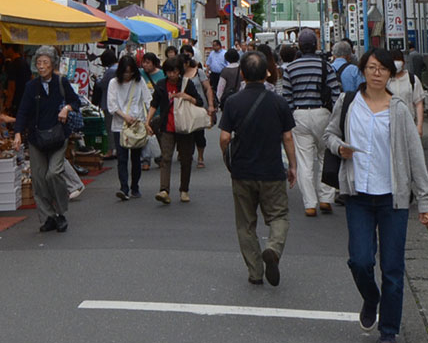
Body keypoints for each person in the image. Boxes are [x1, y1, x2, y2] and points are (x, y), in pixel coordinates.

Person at [325, 47, 428, 343]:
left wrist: (425, 201)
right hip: (358, 194)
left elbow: (415, 156)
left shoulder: (399, 109)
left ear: (390, 74)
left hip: (393, 198)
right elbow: (329, 134)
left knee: (393, 268)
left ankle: (389, 329)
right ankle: (371, 298)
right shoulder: (347, 102)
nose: (376, 73)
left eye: (382, 69)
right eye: (371, 67)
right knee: (359, 260)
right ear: (362, 70)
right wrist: (339, 148)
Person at [220, 51, 297, 286]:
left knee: (246, 223)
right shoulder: (279, 102)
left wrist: (228, 159)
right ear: (267, 73)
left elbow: (224, 138)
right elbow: (287, 138)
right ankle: (273, 248)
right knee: (279, 215)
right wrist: (292, 166)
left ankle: (255, 272)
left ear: (242, 74)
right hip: (272, 169)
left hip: (243, 171)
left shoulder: (233, 102)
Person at [15, 47, 80, 234]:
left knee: (53, 173)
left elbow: (76, 102)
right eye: (38, 62)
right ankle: (48, 217)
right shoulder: (31, 87)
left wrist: (66, 108)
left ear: (53, 64)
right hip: (36, 137)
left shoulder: (61, 82)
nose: (41, 66)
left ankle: (60, 212)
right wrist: (18, 132)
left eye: (45, 62)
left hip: (58, 136)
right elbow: (23, 111)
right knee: (39, 178)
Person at [280, 31, 338, 218]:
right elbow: (335, 93)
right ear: (315, 45)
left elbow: (287, 97)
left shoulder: (291, 68)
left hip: (300, 114)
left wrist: (289, 120)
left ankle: (310, 204)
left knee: (304, 161)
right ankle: (326, 199)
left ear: (299, 45)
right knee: (324, 156)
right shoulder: (325, 66)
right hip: (323, 113)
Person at [149, 54, 207, 204]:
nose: (172, 75)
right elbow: (154, 104)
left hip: (185, 127)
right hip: (167, 126)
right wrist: (147, 121)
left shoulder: (187, 84)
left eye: (174, 71)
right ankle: (164, 190)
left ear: (179, 71)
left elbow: (199, 102)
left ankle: (184, 190)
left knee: (186, 159)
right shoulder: (161, 84)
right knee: (166, 158)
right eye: (169, 72)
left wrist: (187, 97)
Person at [106, 54, 151, 200]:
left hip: (137, 125)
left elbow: (148, 100)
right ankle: (124, 188)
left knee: (136, 158)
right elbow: (111, 105)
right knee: (122, 158)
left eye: (130, 72)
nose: (128, 75)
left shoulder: (139, 82)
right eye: (125, 72)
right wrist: (125, 116)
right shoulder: (113, 83)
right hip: (120, 126)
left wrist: (147, 121)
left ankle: (135, 186)